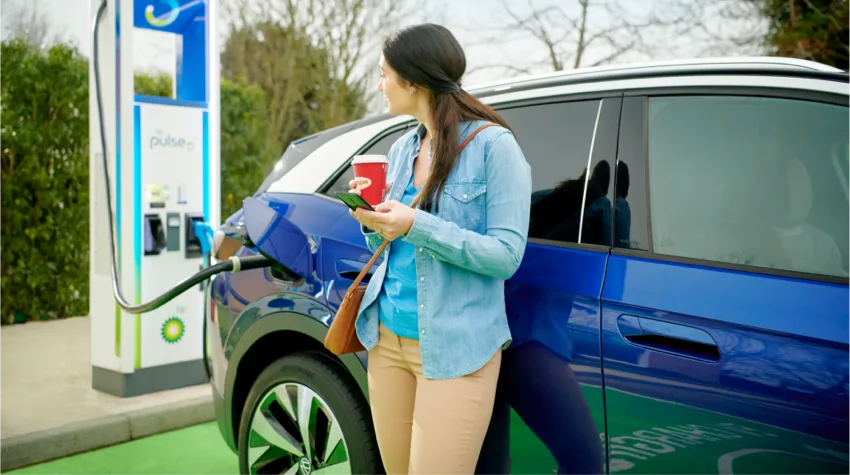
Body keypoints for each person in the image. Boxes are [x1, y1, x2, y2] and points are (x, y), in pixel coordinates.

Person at [345, 23, 532, 475]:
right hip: (386, 340)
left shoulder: (494, 146)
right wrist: (373, 222)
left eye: (384, 73)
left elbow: (506, 255)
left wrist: (416, 224)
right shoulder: (401, 149)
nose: (379, 83)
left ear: (413, 80)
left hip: (456, 348)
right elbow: (395, 243)